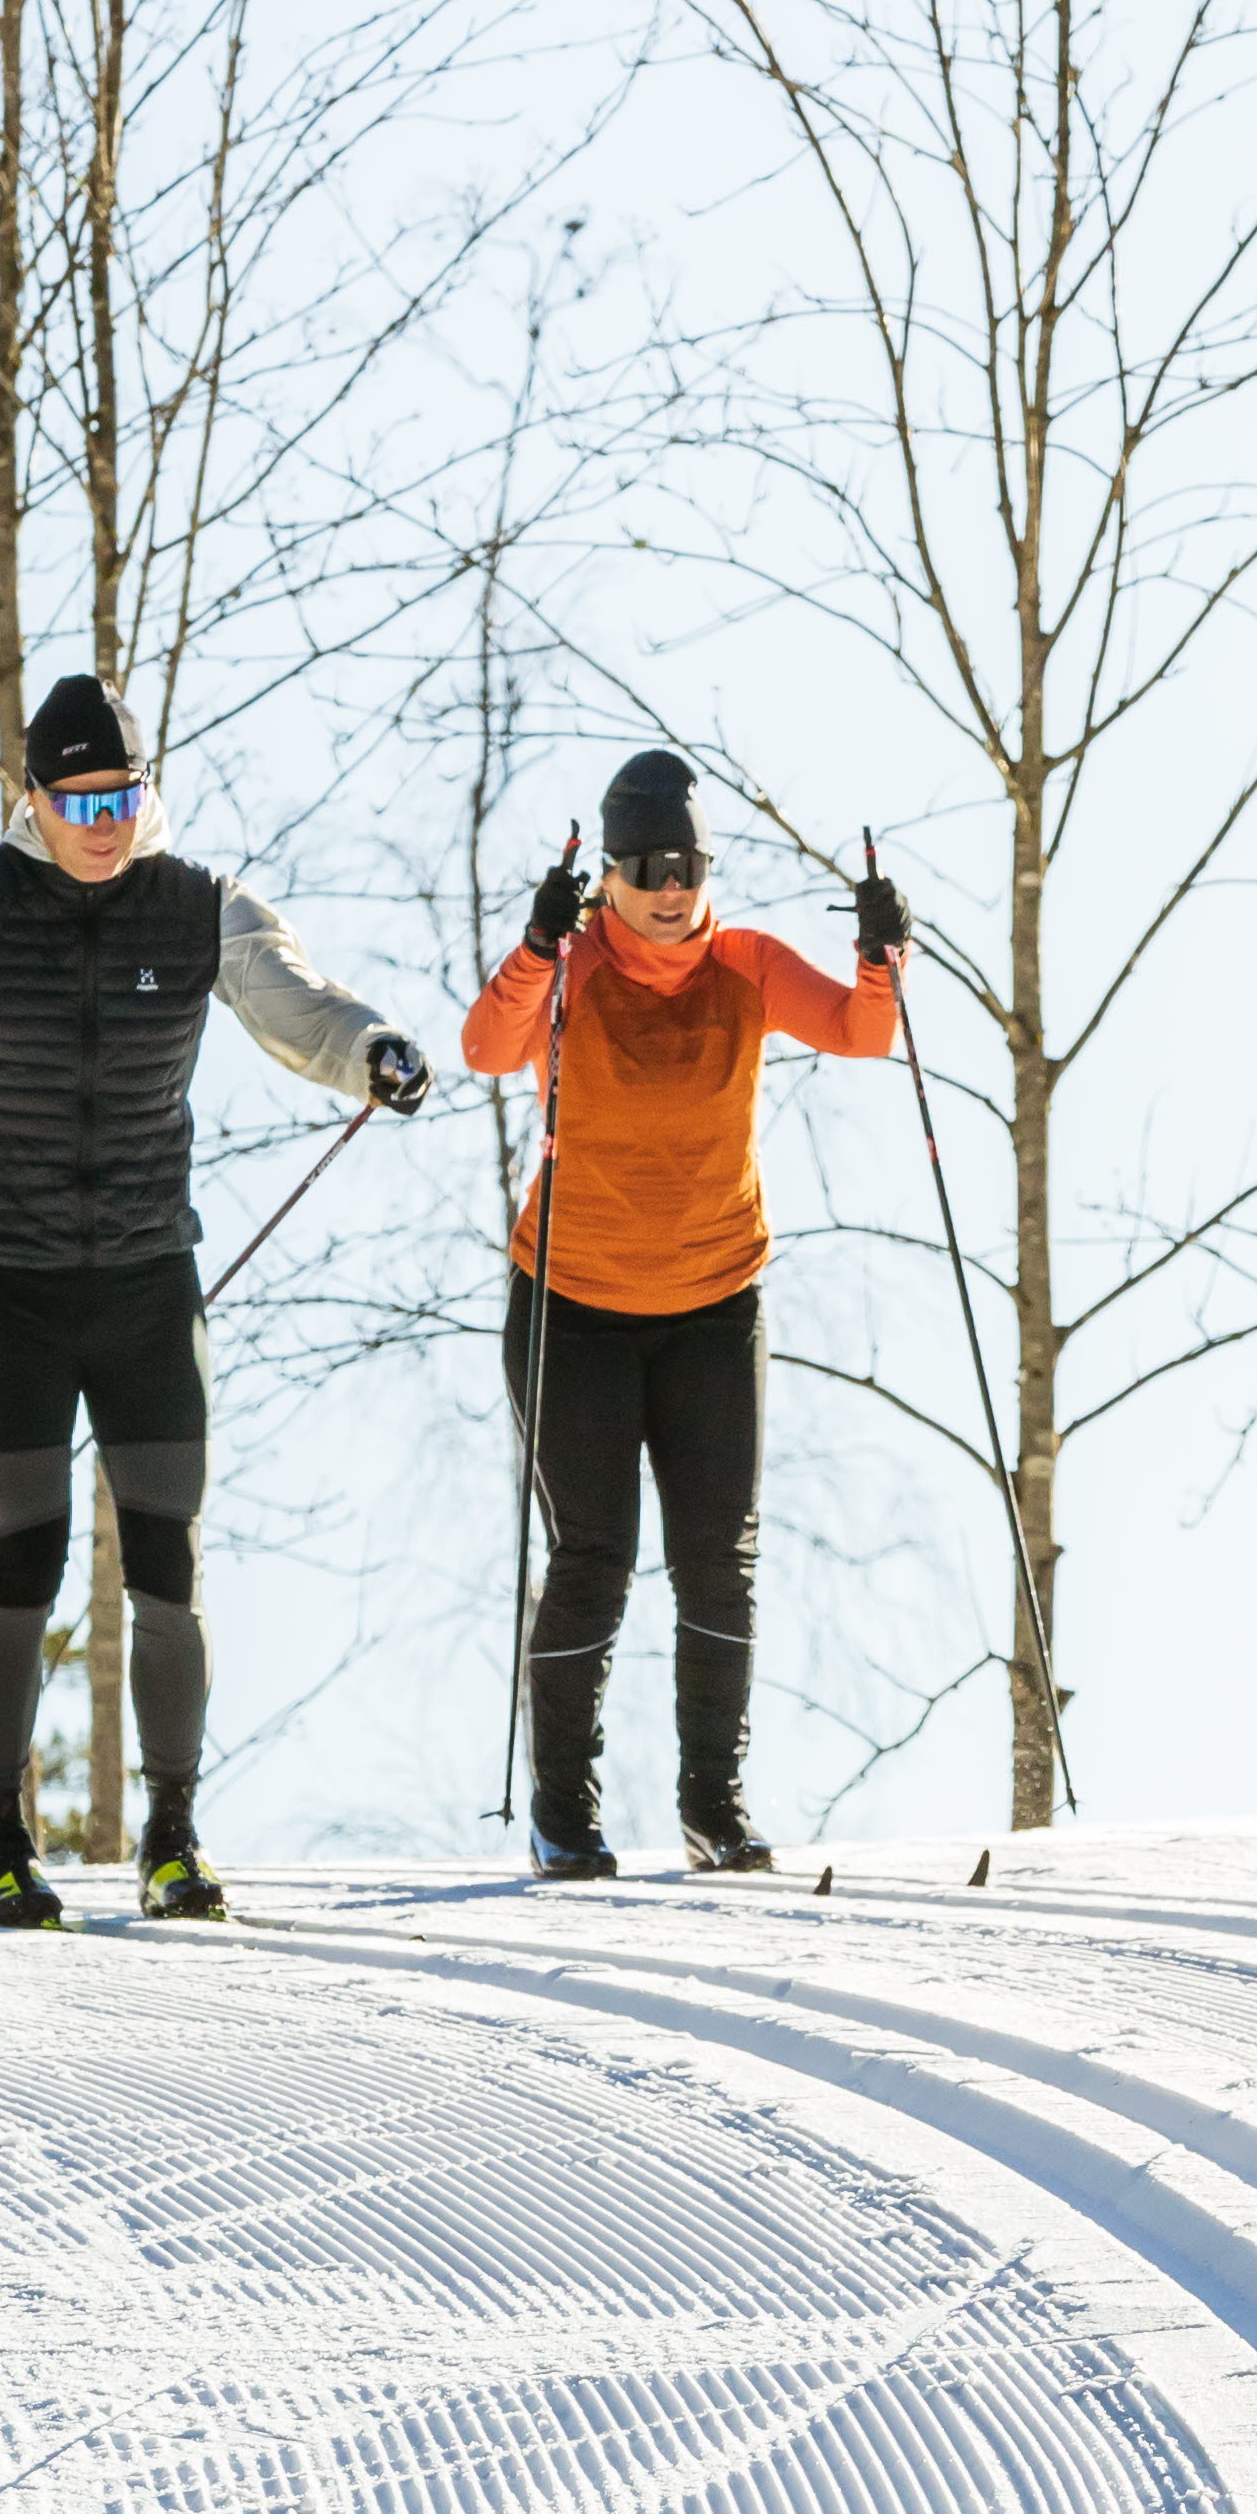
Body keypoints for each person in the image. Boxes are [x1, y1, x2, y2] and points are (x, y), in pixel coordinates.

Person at [0, 673, 432, 1927]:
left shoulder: (199, 906)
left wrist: (373, 1052)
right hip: (8, 1289)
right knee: (23, 1570)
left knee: (165, 1570)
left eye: (123, 796)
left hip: (145, 1285)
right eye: (79, 800)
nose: (104, 823)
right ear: (32, 797)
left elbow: (300, 1009)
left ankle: (173, 1839)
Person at [461, 747, 906, 1877]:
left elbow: (863, 1033)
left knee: (717, 1559)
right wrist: (533, 948)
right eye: (648, 867)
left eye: (689, 866)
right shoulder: (568, 967)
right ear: (607, 873)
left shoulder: (746, 964)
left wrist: (879, 956)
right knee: (594, 1556)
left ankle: (714, 1803)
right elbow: (485, 1049)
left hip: (713, 1302)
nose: (670, 888)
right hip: (571, 1305)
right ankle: (563, 1816)